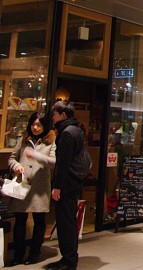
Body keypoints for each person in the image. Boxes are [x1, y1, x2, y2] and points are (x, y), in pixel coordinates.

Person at [7, 112, 56, 266]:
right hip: (22, 184)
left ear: (45, 126)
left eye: (39, 125)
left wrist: (36, 155)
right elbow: (12, 158)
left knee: (39, 221)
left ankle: (34, 253)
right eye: (33, 124)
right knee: (19, 221)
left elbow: (54, 162)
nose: (35, 127)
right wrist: (16, 166)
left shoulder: (51, 142)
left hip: (39, 188)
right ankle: (18, 254)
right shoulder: (24, 139)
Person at [48, 101, 85, 270]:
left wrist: (57, 186)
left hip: (67, 184)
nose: (53, 117)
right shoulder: (76, 130)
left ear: (63, 115)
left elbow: (63, 163)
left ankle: (68, 260)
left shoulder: (67, 133)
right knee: (68, 220)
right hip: (73, 182)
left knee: (66, 221)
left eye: (55, 114)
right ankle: (69, 257)